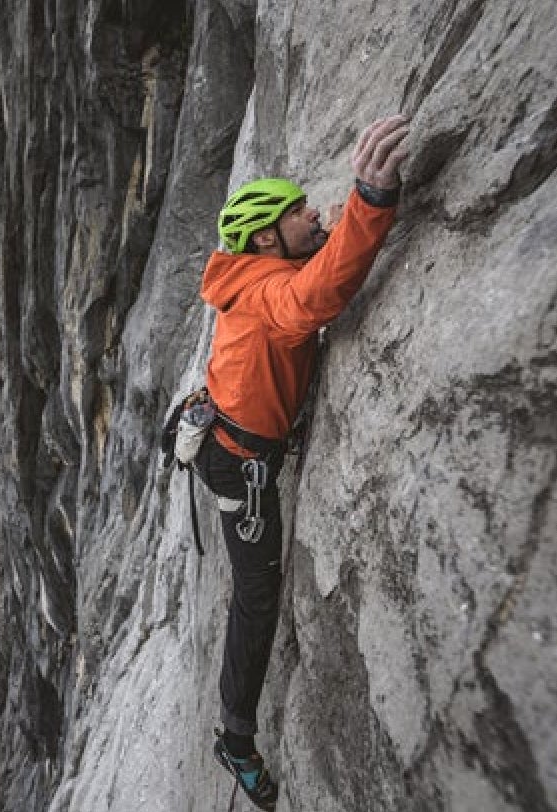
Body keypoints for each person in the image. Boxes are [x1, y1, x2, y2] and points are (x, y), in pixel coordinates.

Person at [197, 115, 411, 810]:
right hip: (241, 469)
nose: (315, 213)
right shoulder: (266, 289)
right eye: (300, 214)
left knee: (253, 592)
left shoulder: (260, 269)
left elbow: (311, 277)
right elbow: (311, 297)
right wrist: (370, 202)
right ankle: (235, 735)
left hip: (237, 444)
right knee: (256, 599)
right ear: (267, 238)